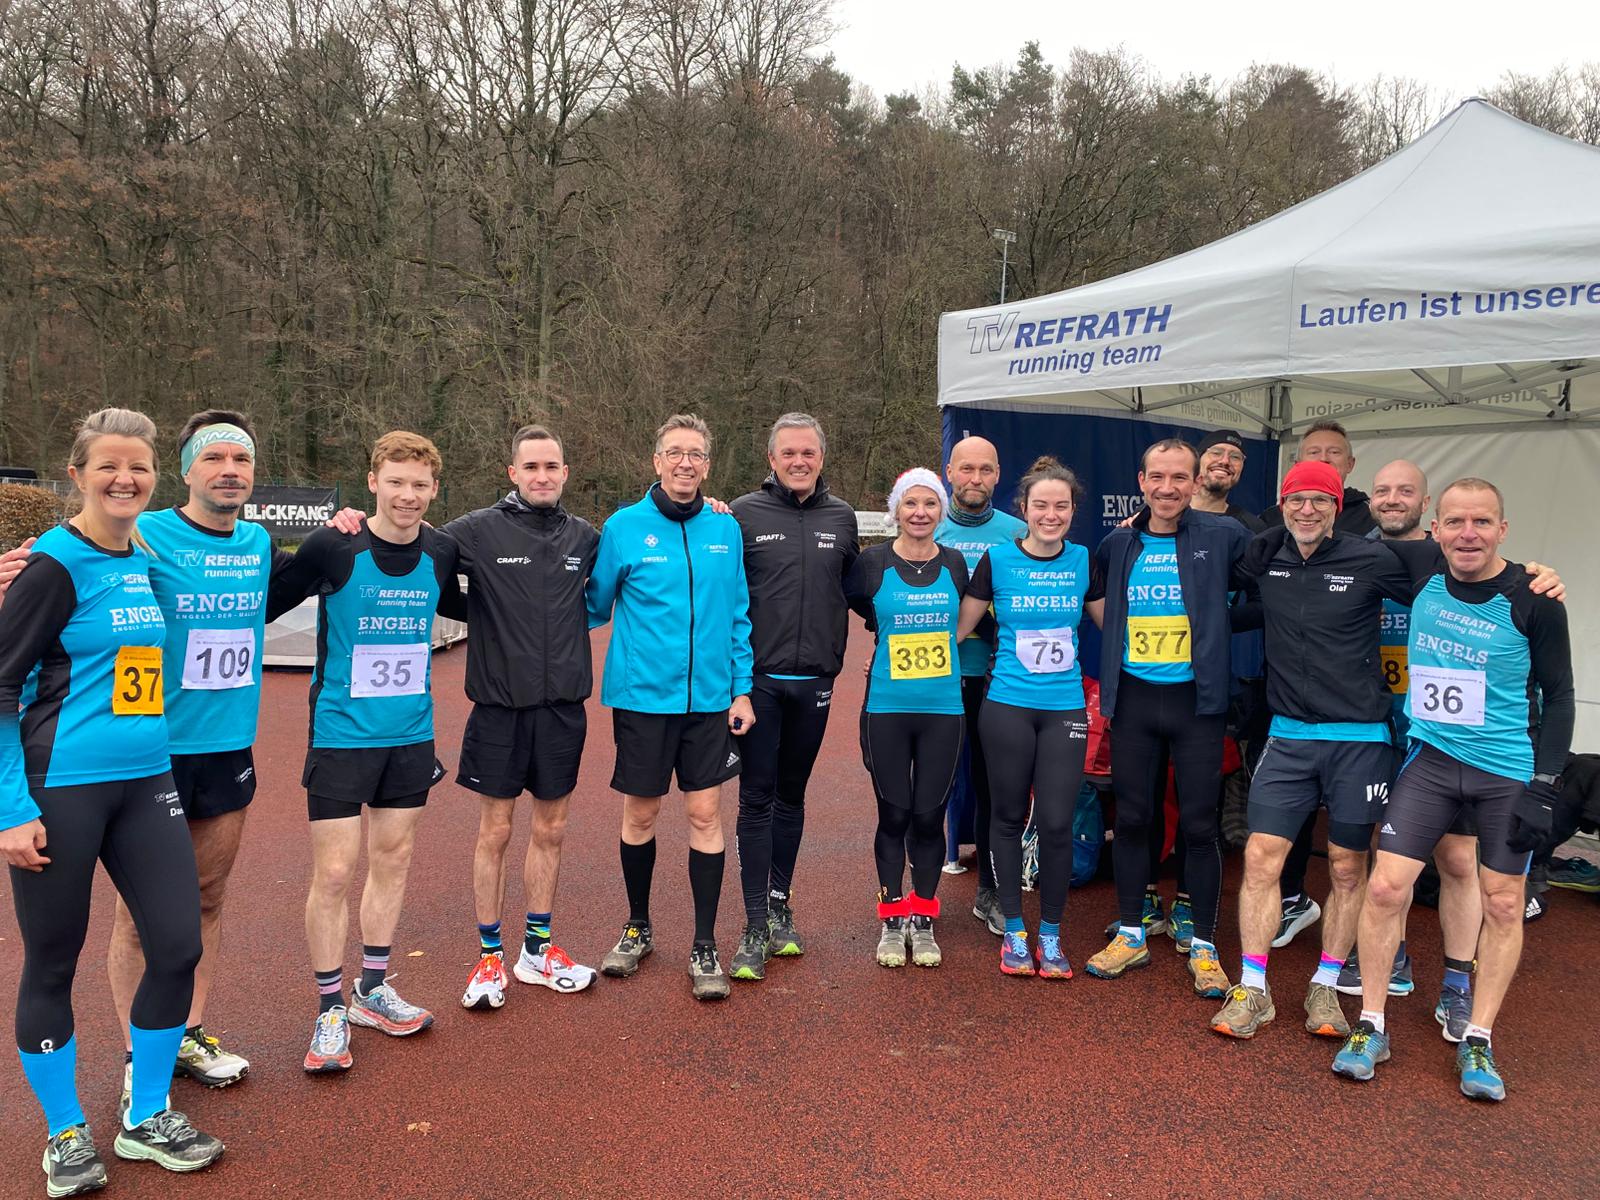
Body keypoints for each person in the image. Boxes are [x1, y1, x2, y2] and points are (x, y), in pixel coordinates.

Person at [1209, 461, 1560, 1042]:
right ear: (1282, 504)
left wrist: (1533, 576)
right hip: (1289, 736)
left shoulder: (1372, 558)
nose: (1307, 510)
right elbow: (1211, 560)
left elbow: (1468, 565)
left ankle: (1326, 984)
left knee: (1350, 866)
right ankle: (1252, 987)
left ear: (1340, 507)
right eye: (1296, 499)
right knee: (1262, 857)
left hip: (1362, 740)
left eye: (1321, 500)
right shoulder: (1265, 557)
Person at [1, 408, 223, 1197]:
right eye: (109, 466)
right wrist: (9, 809)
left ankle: (147, 1115)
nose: (125, 479)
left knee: (178, 946)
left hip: (146, 780)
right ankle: (65, 1132)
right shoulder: (51, 565)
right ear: (77, 474)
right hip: (60, 788)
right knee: (52, 962)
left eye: (139, 467)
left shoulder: (144, 555)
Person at [1331, 478, 1573, 1101]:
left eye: (1482, 522)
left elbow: (1561, 696)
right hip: (1433, 763)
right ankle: (1372, 1024)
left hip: (1503, 772)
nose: (1469, 534)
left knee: (1502, 902)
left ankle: (1478, 1038)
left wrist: (1544, 786)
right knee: (1385, 888)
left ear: (1503, 529)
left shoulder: (1535, 599)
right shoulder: (1421, 570)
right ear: (1435, 529)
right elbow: (1335, 534)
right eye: (1456, 522)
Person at [268, 432, 464, 1072]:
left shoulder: (441, 551)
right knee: (333, 873)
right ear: (373, 481)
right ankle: (329, 1007)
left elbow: (485, 605)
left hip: (409, 735)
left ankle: (371, 989)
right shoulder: (335, 544)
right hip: (340, 734)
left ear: (434, 490)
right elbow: (266, 602)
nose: (408, 495)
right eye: (396, 481)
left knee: (394, 860)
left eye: (419, 485)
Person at [586, 414, 755, 1001]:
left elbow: (738, 613)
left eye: (696, 454)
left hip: (708, 701)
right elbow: (593, 606)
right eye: (675, 453)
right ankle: (638, 926)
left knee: (706, 816)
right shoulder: (622, 527)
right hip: (642, 700)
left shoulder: (725, 528)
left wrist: (741, 688)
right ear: (656, 461)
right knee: (640, 816)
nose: (686, 462)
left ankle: (704, 943)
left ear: (707, 465)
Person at [1083, 440, 1249, 999]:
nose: (1168, 488)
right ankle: (1132, 932)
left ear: (1195, 482)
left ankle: (1203, 944)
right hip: (1134, 700)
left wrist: (1221, 623)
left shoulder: (1223, 535)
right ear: (1142, 481)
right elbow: (1099, 599)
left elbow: (1266, 582)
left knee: (1200, 825)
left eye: (1180, 477)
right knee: (1133, 818)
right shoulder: (1118, 542)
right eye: (1158, 477)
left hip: (1196, 705)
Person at [445, 425, 600, 1007]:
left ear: (565, 473)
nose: (542, 476)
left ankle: (536, 951)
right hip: (499, 711)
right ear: (513, 473)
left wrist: (711, 509)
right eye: (531, 467)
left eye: (551, 466)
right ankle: (489, 957)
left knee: (551, 829)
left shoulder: (584, 536)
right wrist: (477, 610)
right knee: (496, 831)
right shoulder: (476, 530)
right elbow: (413, 550)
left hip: (562, 711)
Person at [957, 456, 1102, 978]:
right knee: (1007, 816)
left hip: (1063, 709)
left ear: (1073, 511)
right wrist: (889, 657)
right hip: (1007, 706)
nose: (1051, 515)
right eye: (1041, 505)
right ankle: (1015, 930)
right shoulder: (997, 559)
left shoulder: (1084, 560)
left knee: (1057, 822)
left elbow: (1115, 626)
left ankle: (1052, 934)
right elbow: (957, 631)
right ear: (1024, 509)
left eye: (1061, 506)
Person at [727, 414, 859, 981]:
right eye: (789, 453)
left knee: (792, 796)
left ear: (821, 458)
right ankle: (754, 922)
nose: (799, 461)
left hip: (816, 685)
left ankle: (781, 905)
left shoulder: (842, 517)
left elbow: (861, 589)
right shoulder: (741, 514)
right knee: (755, 798)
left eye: (808, 452)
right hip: (758, 684)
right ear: (771, 458)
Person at [846, 469, 968, 968]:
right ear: (896, 509)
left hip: (943, 711)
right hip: (887, 709)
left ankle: (924, 916)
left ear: (942, 511)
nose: (920, 512)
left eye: (930, 503)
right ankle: (892, 917)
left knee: (928, 816)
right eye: (910, 503)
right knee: (894, 815)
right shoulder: (872, 563)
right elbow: (862, 608)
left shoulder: (956, 564)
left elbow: (973, 618)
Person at [933, 436, 1025, 934]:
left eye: (985, 469)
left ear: (997, 474)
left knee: (995, 792)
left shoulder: (1017, 532)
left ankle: (990, 891)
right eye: (966, 468)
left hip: (996, 682)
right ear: (949, 471)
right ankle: (918, 899)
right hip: (935, 682)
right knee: (928, 790)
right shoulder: (927, 522)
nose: (975, 478)